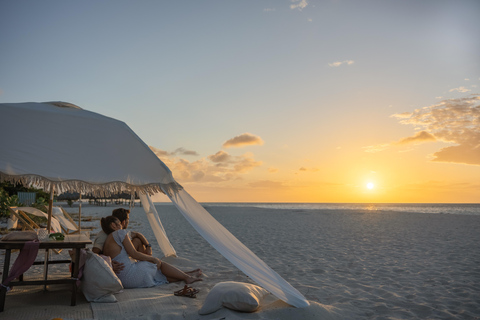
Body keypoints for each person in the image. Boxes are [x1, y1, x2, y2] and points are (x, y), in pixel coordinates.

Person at [101, 216, 202, 288]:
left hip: (122, 280)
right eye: (119, 224)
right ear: (113, 225)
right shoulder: (119, 233)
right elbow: (134, 254)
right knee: (158, 264)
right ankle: (187, 277)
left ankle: (185, 276)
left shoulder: (107, 241)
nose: (122, 226)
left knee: (158, 276)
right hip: (129, 274)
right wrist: (153, 258)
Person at [92, 208, 151, 273]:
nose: (128, 221)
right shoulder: (104, 235)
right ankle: (146, 267)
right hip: (113, 265)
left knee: (137, 240)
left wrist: (148, 246)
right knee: (137, 241)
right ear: (123, 222)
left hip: (121, 261)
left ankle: (145, 265)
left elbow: (137, 234)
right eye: (128, 219)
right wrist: (109, 264)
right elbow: (93, 254)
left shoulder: (121, 232)